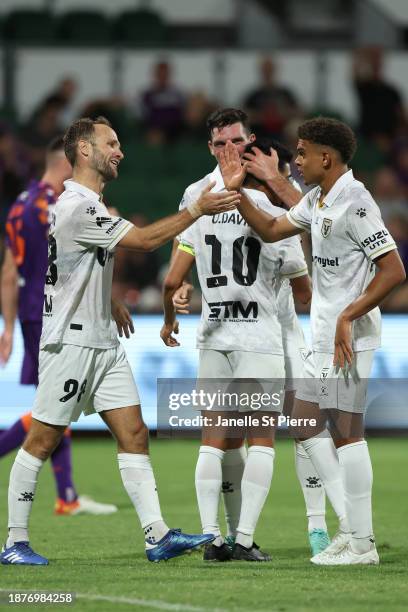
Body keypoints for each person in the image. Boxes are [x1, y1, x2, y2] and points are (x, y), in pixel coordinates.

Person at [0, 115, 240, 566]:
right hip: (69, 345)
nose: (120, 151)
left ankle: (157, 535)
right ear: (85, 151)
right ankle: (14, 542)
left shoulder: (88, 205)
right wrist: (196, 211)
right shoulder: (77, 206)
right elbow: (147, 241)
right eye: (111, 143)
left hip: (103, 342)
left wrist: (106, 298)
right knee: (42, 439)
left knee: (133, 433)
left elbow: (75, 265)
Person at [218, 117, 406, 565]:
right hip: (326, 335)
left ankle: (362, 543)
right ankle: (352, 528)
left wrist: (348, 314)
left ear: (327, 157)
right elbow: (272, 228)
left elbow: (395, 270)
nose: (296, 161)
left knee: (346, 435)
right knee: (303, 422)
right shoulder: (321, 200)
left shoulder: (356, 203)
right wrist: (235, 192)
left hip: (349, 338)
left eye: (302, 153)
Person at [168, 109, 335, 557]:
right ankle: (241, 540)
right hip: (260, 335)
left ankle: (211, 537)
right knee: (265, 437)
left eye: (234, 142)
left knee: (215, 440)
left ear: (249, 141)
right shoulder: (267, 205)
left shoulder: (194, 194)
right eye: (221, 143)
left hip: (213, 332)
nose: (228, 150)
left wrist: (178, 292)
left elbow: (176, 266)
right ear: (212, 147)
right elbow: (303, 291)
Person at [0, 136, 117, 516]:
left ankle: (66, 495)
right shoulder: (59, 206)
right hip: (57, 311)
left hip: (32, 311)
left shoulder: (19, 205)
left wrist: (7, 326)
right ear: (66, 163)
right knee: (51, 407)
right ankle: (63, 493)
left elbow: (7, 272)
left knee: (56, 404)